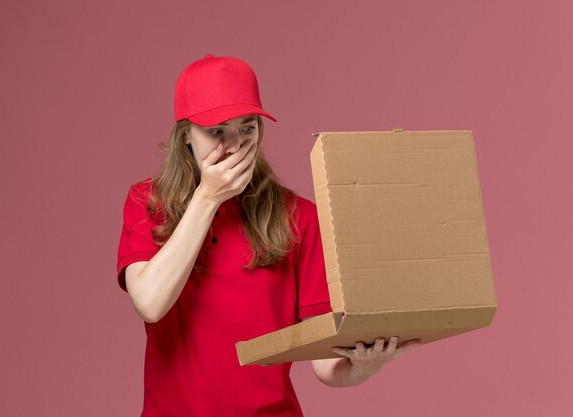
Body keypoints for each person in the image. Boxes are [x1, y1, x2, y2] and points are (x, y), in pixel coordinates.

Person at [116, 54, 421, 417]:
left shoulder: (299, 217)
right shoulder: (147, 202)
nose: (234, 146)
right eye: (216, 131)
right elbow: (150, 303)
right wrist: (209, 198)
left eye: (247, 128)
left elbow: (326, 365)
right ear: (186, 137)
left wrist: (363, 366)